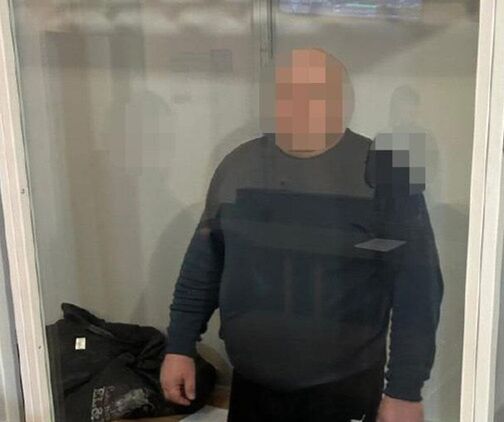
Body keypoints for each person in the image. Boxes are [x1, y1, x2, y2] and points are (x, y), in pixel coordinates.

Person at [160, 47, 443, 422]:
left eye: (316, 93)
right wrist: (180, 346)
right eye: (287, 92)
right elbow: (204, 265)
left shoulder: (389, 169)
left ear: (345, 103)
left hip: (345, 389)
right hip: (252, 387)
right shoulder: (238, 165)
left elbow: (418, 290)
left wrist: (405, 390)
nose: (299, 105)